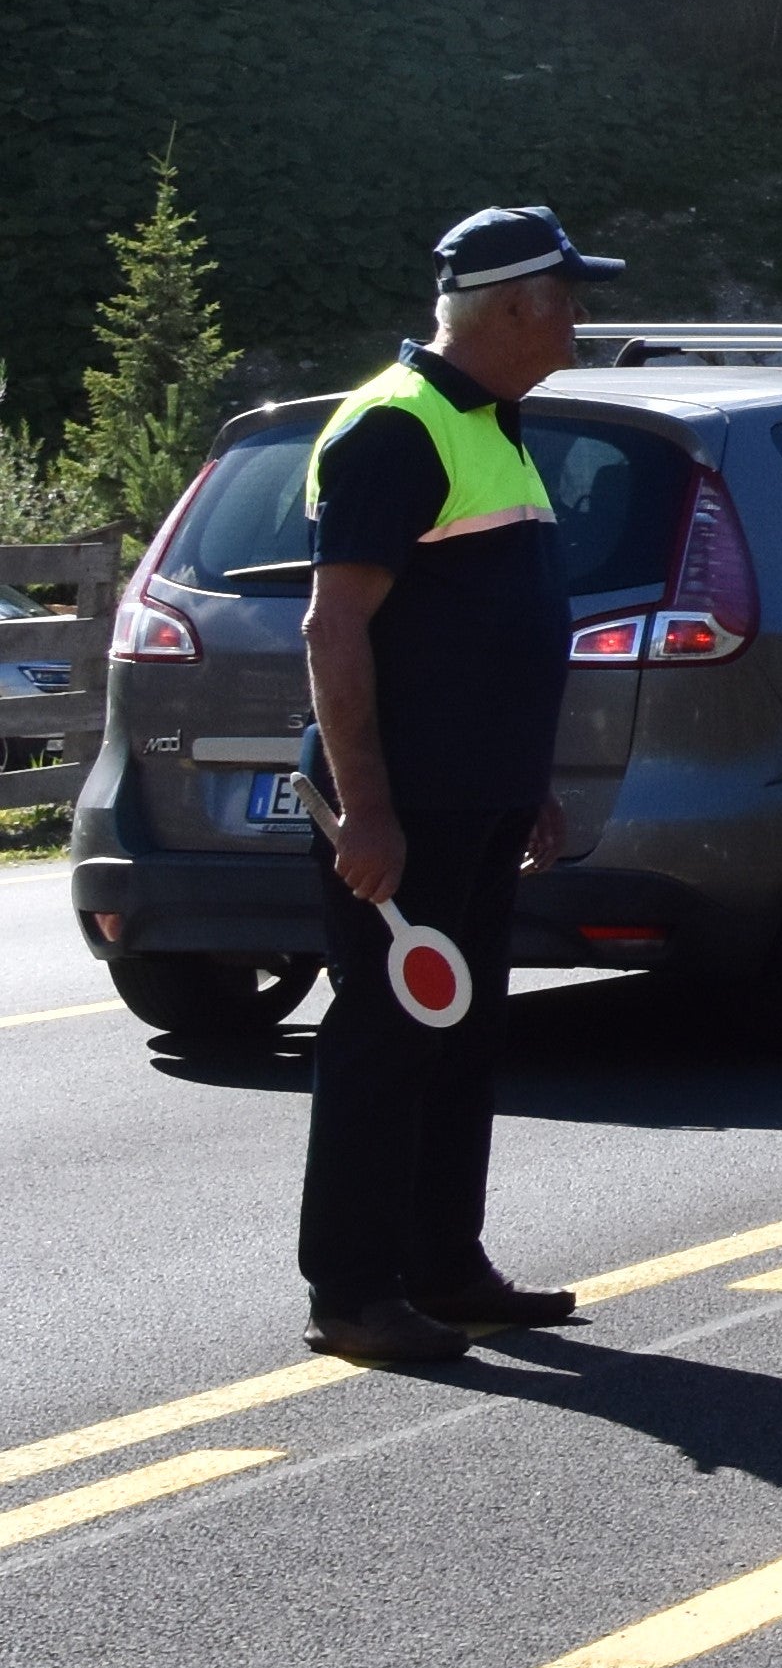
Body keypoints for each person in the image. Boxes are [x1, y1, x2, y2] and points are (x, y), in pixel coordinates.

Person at [294, 205, 625, 1365]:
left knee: (461, 1032)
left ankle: (443, 1262)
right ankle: (353, 1290)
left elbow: (490, 628)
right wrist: (367, 806)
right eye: (568, 297)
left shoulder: (491, 421)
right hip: (410, 802)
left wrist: (528, 781)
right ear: (516, 304)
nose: (579, 318)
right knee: (387, 1037)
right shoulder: (396, 425)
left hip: (479, 796)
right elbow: (334, 629)